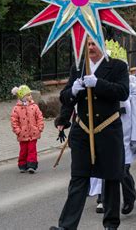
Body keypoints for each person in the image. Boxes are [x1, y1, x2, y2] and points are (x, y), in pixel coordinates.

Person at [51, 36, 129, 230]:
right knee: (78, 178)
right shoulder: (78, 67)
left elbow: (123, 92)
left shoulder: (117, 66)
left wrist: (98, 83)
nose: (91, 48)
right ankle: (66, 226)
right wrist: (73, 91)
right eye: (87, 44)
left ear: (102, 45)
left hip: (108, 130)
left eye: (94, 43)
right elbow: (65, 97)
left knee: (111, 178)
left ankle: (111, 224)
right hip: (82, 131)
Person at [88, 40, 136, 215]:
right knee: (105, 164)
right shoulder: (97, 80)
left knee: (122, 169)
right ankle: (103, 199)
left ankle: (129, 195)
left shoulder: (131, 84)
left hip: (124, 132)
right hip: (105, 129)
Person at [10, 85, 44, 173]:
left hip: (33, 133)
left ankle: (31, 165)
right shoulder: (16, 109)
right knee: (23, 150)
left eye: (30, 95)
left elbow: (39, 117)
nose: (30, 96)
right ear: (22, 97)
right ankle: (22, 164)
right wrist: (17, 131)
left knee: (32, 149)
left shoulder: (34, 106)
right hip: (23, 134)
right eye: (28, 95)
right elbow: (14, 121)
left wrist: (39, 128)